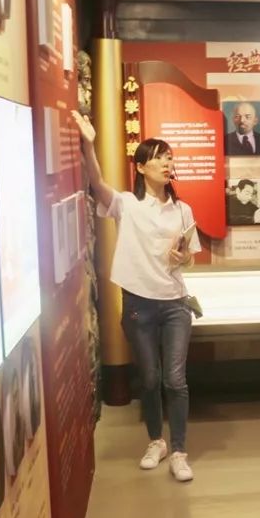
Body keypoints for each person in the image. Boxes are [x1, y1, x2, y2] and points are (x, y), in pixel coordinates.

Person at [72, 110, 201, 482]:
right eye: (160, 157)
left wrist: (183, 257)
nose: (167, 163)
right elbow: (96, 183)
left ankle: (179, 450)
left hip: (175, 303)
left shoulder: (183, 210)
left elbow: (190, 258)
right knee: (149, 378)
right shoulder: (127, 204)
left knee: (175, 380)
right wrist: (89, 143)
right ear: (141, 167)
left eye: (169, 157)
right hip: (138, 305)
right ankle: (156, 442)